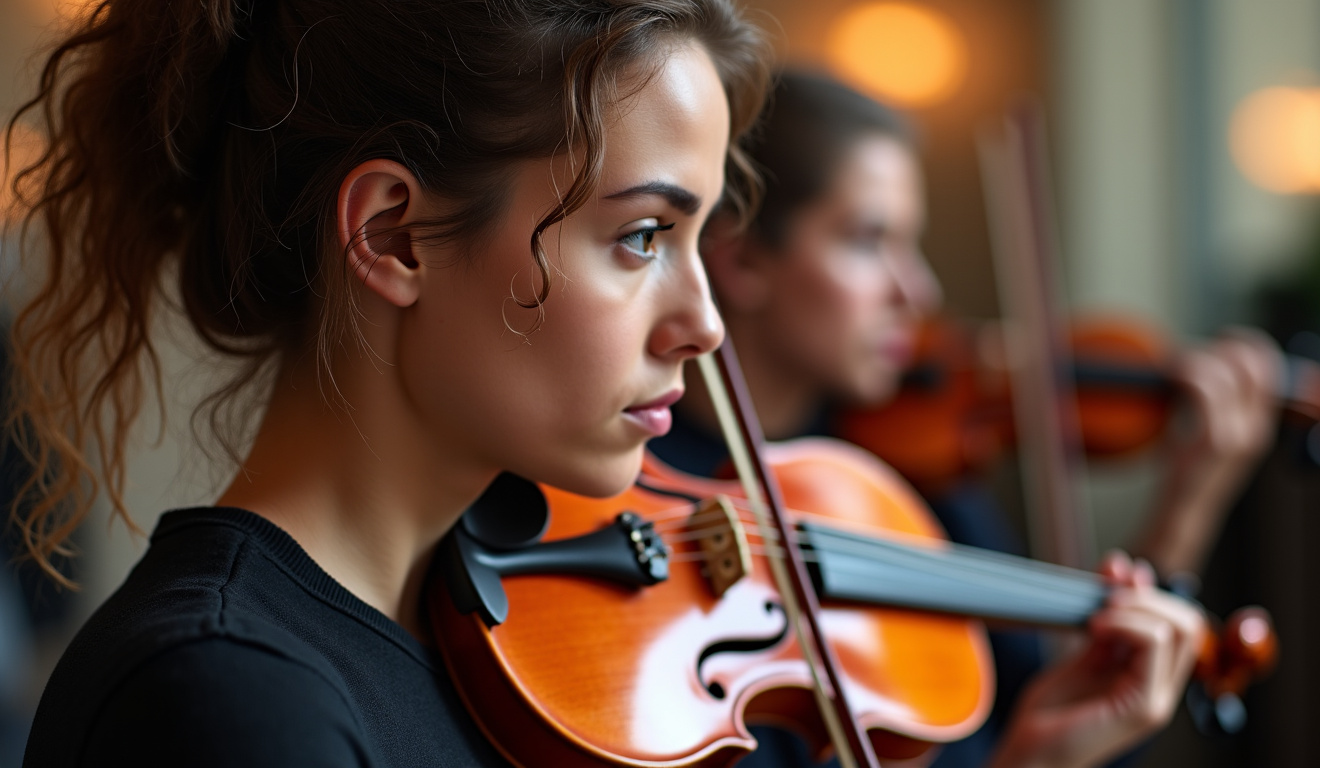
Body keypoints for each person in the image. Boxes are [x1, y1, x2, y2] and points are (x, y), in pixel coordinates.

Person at [6, 0, 770, 765]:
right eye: (641, 238)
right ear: (393, 237)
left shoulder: (511, 661)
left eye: (697, 242)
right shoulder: (227, 700)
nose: (705, 326)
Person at [650, 70, 1280, 767]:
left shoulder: (913, 476)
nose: (918, 289)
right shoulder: (644, 490)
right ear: (741, 259)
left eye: (910, 245)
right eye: (868, 241)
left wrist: (1188, 504)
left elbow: (1056, 713)